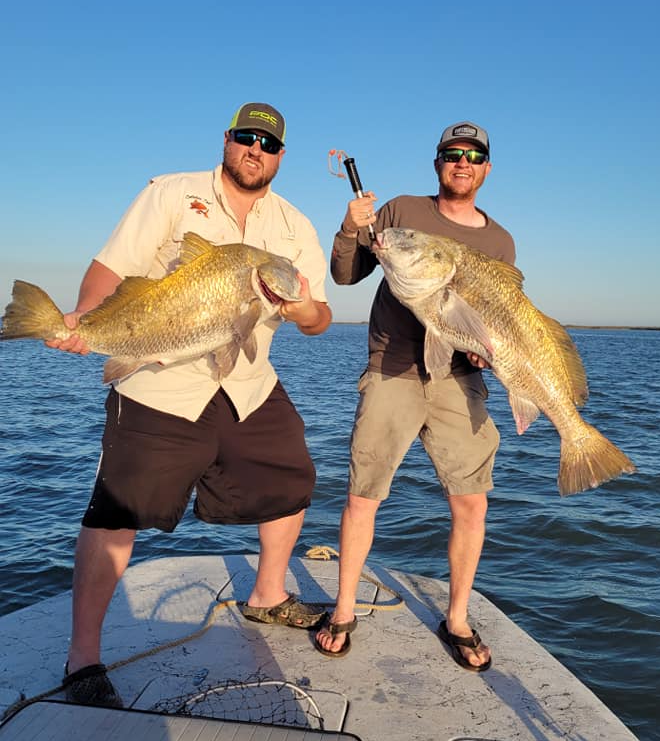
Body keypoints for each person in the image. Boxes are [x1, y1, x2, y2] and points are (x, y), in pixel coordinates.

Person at [48, 102, 332, 706]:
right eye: (245, 138)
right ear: (227, 141)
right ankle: (83, 659)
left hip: (247, 381)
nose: (255, 150)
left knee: (294, 476)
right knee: (117, 509)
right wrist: (84, 319)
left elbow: (319, 315)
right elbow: (109, 270)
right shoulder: (171, 194)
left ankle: (268, 596)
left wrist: (303, 308)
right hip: (159, 381)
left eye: (269, 144)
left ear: (281, 156)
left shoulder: (294, 226)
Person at [315, 121, 515, 670]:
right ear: (438, 163)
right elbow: (346, 273)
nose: (463, 162)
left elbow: (495, 319)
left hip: (459, 381)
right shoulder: (402, 211)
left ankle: (456, 618)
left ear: (486, 169)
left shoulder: (500, 242)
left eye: (474, 155)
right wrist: (351, 226)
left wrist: (484, 351)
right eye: (453, 154)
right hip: (393, 371)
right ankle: (343, 609)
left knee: (471, 502)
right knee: (364, 495)